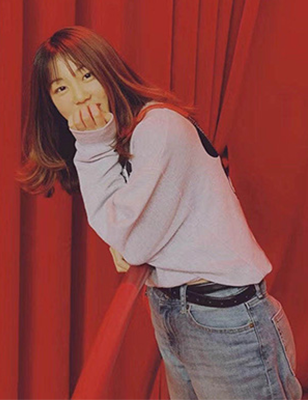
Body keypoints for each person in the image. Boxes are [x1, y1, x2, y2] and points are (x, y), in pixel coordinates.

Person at [16, 25, 303, 400]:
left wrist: (94, 146)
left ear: (107, 69)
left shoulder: (158, 128)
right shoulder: (127, 134)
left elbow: (133, 243)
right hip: (177, 309)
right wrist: (125, 234)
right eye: (61, 88)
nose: (80, 95)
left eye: (86, 75)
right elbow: (126, 229)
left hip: (222, 316)